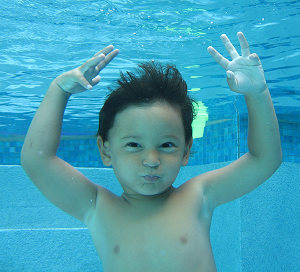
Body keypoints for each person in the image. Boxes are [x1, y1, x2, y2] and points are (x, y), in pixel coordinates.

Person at [21, 32, 282, 272]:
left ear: (186, 151)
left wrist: (258, 93)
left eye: (167, 145)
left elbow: (264, 159)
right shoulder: (97, 208)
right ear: (105, 150)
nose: (151, 160)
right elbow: (37, 160)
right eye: (134, 145)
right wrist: (60, 90)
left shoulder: (197, 196)